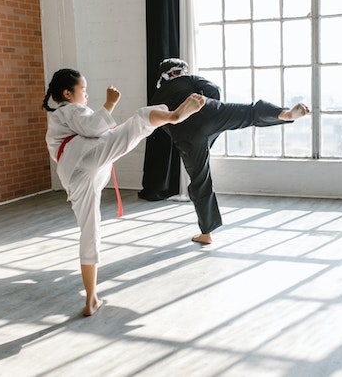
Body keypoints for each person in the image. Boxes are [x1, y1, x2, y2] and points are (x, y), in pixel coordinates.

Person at [43, 68, 205, 316]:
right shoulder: (70, 109)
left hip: (73, 176)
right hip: (87, 158)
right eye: (83, 91)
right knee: (139, 119)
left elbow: (89, 132)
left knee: (90, 230)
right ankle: (172, 116)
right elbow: (94, 127)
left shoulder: (56, 118)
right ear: (67, 93)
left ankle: (91, 299)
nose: (86, 96)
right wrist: (109, 103)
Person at [150, 58, 310, 245]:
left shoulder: (156, 97)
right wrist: (213, 112)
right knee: (250, 112)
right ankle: (285, 114)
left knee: (200, 179)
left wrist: (185, 138)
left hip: (185, 134)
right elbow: (214, 90)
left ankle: (206, 233)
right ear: (177, 72)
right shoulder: (188, 80)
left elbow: (161, 123)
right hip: (208, 111)